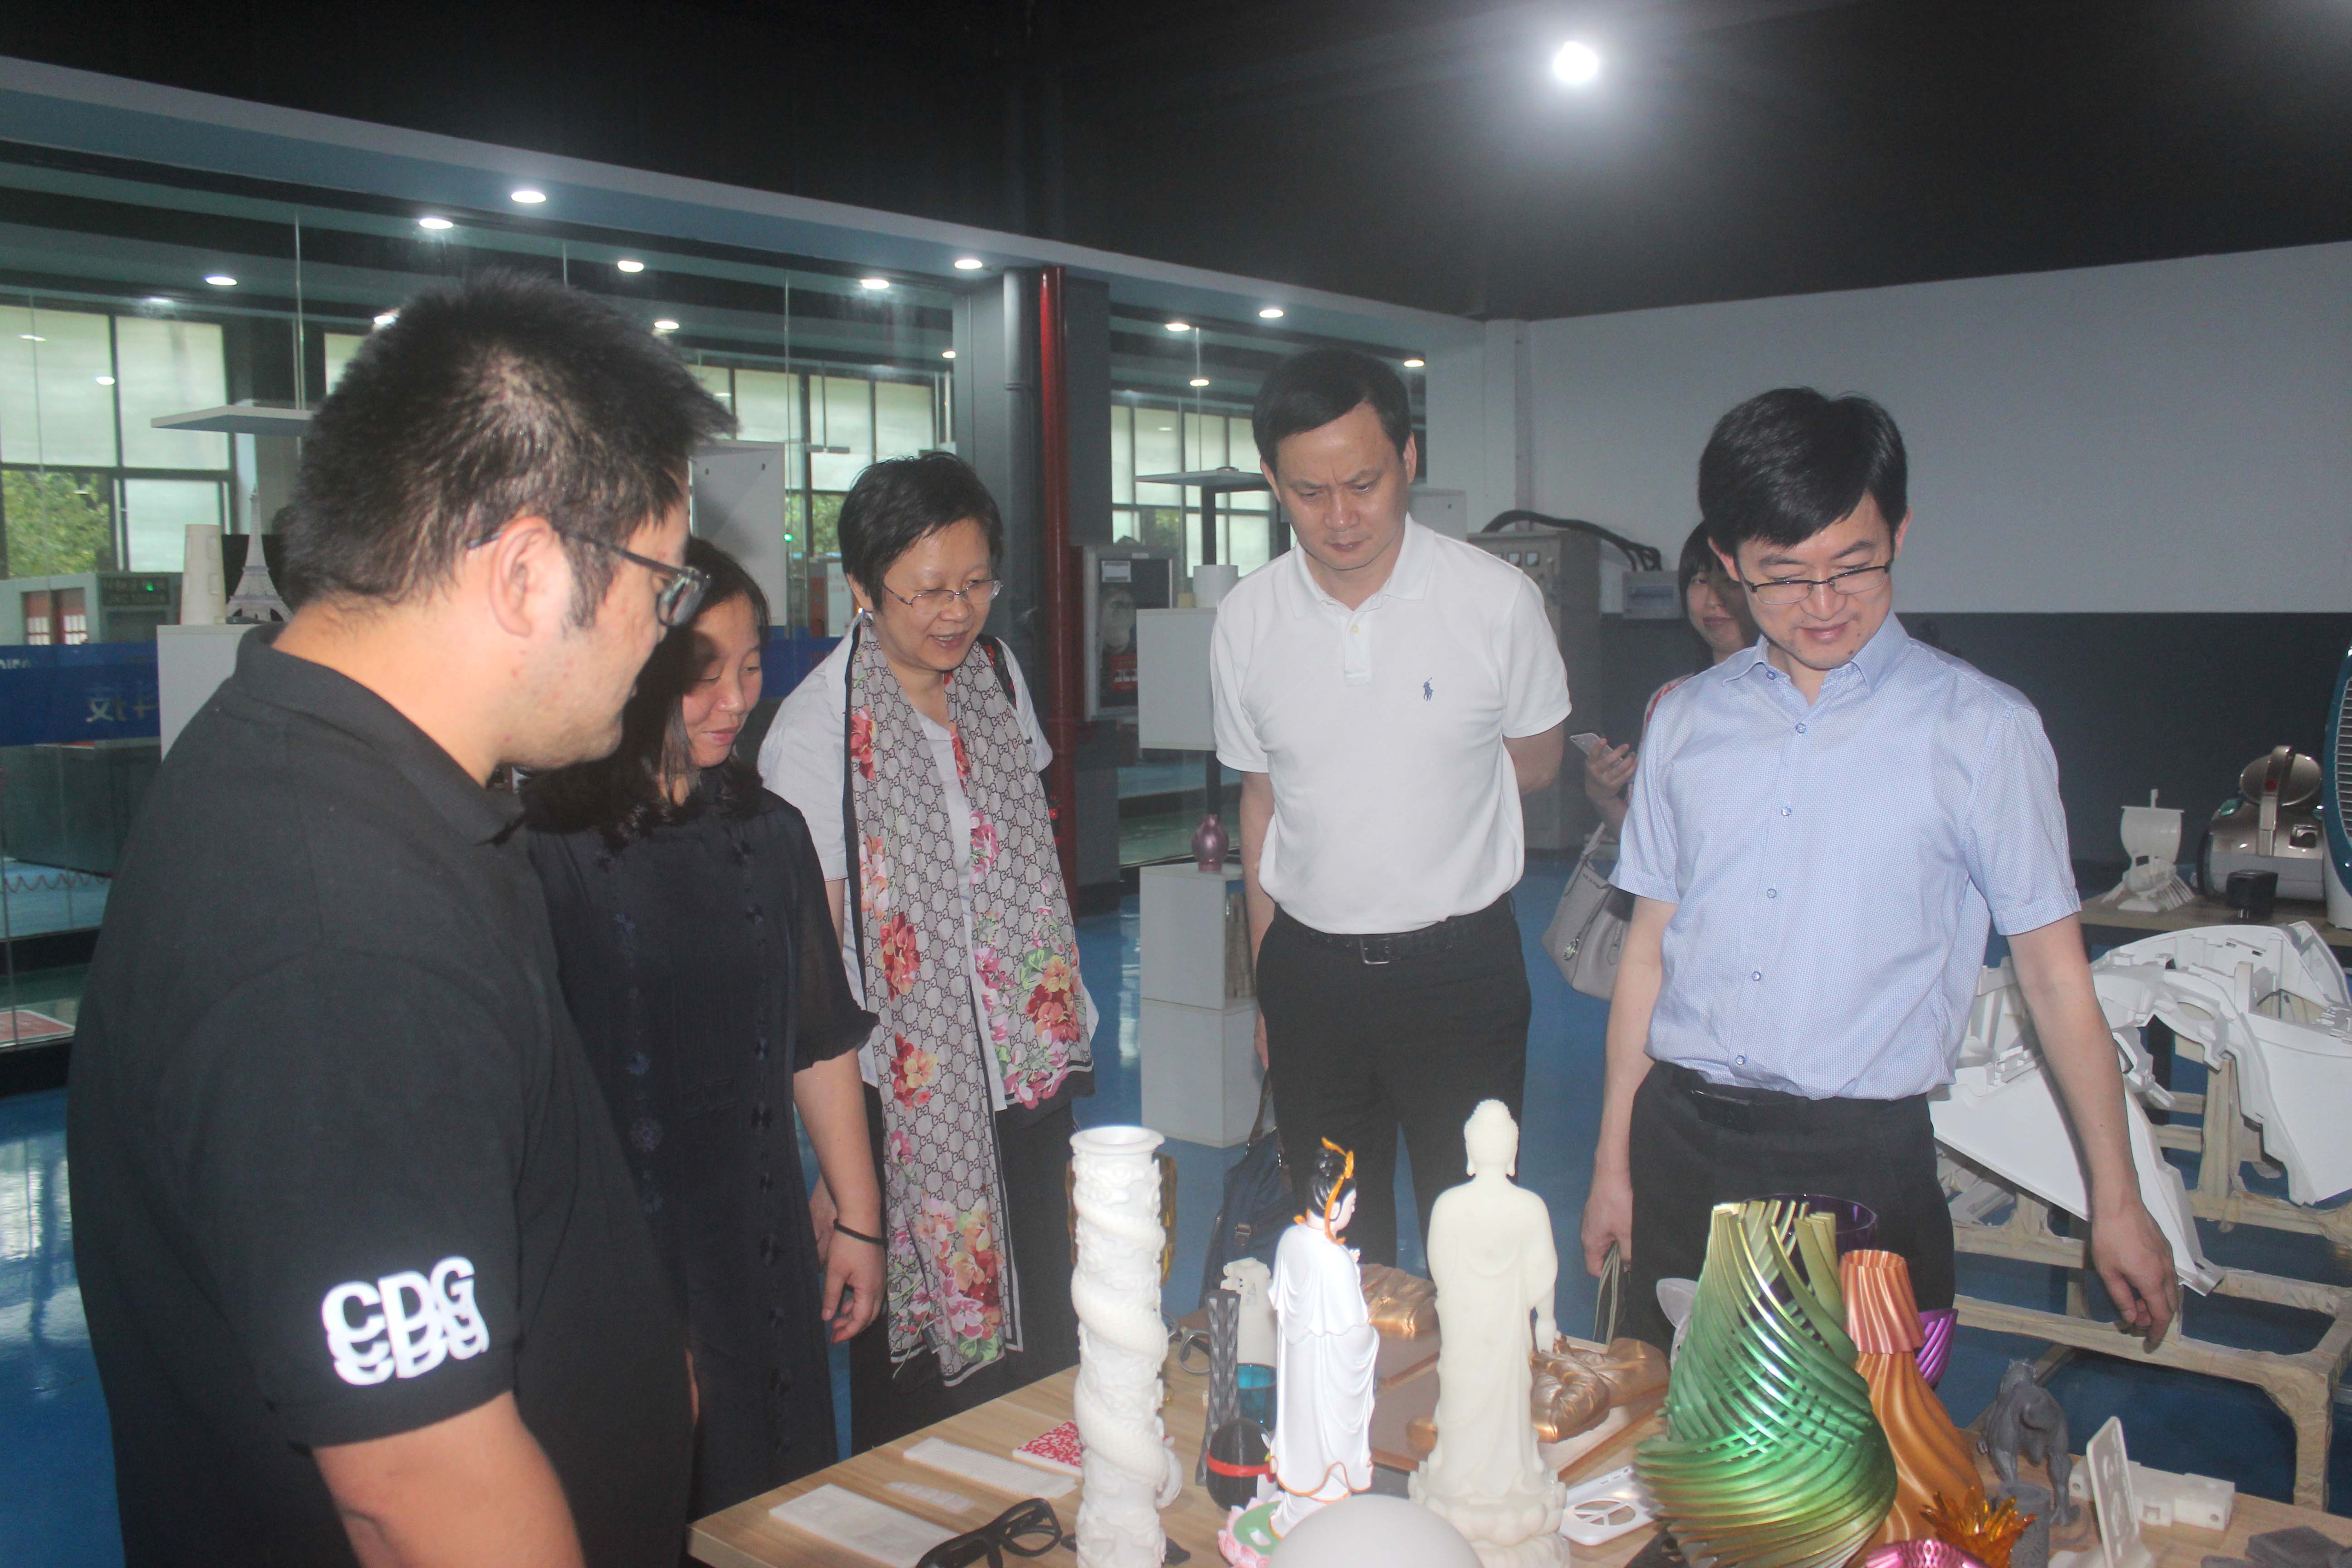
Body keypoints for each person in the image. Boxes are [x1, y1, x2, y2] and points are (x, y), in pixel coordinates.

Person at [68, 272, 732, 1567]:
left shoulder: (341, 776)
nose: (661, 637)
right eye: (659, 587)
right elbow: (418, 1490)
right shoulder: (336, 930)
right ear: (527, 572)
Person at [1578, 387, 2179, 1353]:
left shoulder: (1981, 731)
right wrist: (1614, 1163)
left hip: (1857, 1162)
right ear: (1727, 562)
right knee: (1667, 1427)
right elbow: (1648, 954)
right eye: (1783, 577)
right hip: (1680, 1141)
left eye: (1854, 566)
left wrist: (2117, 1199)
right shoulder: (1685, 721)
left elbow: (2055, 978)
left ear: (1898, 532)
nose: (1822, 606)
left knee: (1863, 1440)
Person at [523, 539, 882, 1513]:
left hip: (757, 1239)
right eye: (703, 674)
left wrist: (858, 1215)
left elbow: (817, 1036)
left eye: (752, 666)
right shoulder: (547, 851)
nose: (736, 700)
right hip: (620, 1250)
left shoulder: (771, 835)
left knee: (776, 1497)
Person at [760, 452, 1095, 1449]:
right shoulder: (816, 733)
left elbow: (1019, 858)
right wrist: (840, 1169)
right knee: (932, 1396)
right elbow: (814, 975)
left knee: (1053, 1337)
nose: (956, 613)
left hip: (1026, 1072)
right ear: (862, 588)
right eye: (928, 591)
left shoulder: (996, 677)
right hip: (906, 1097)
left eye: (976, 584)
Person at [1213, 348, 1570, 1269]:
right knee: (1331, 1248)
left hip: (1460, 976)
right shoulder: (1247, 620)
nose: (1339, 517)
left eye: (1363, 484)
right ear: (1272, 483)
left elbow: (1536, 760)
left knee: (1474, 1245)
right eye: (1308, 492)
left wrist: (1426, 790)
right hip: (1311, 979)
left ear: (1407, 458)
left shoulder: (1495, 603)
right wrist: (1269, 986)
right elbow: (1260, 803)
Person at [1581, 522, 1759, 833]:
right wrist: (1604, 797)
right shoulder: (1671, 700)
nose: (1713, 599)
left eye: (1730, 582)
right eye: (1700, 581)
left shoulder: (1798, 695)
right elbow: (1647, 842)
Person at [1264, 1142, 1378, 1536]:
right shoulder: (1333, 1258)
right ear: (1332, 1208)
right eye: (1351, 1205)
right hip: (1328, 1371)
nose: (1354, 1211)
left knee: (1300, 1429)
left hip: (1297, 1363)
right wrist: (1371, 1338)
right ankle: (1320, 1514)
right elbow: (1354, 1332)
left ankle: (1299, 1504)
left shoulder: (1289, 1240)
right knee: (1327, 1440)